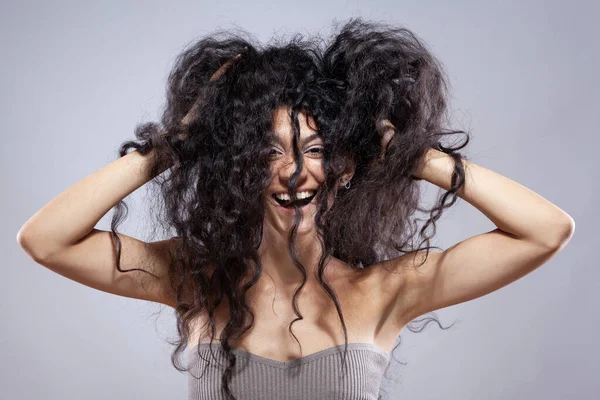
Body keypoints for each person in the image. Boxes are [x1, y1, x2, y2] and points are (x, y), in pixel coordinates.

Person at [16, 17, 575, 400]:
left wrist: (411, 154)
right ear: (242, 169)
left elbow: (545, 231)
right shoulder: (196, 278)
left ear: (344, 169)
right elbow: (46, 240)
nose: (293, 172)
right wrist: (173, 145)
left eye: (315, 151)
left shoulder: (386, 291)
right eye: (269, 152)